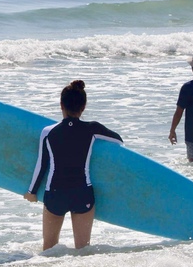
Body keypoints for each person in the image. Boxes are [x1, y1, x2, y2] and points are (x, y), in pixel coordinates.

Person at [24, 80, 123, 251]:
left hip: (55, 194)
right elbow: (118, 140)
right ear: (83, 106)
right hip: (82, 193)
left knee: (49, 249)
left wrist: (32, 192)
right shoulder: (92, 129)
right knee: (83, 250)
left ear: (61, 105)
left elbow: (42, 164)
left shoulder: (48, 132)